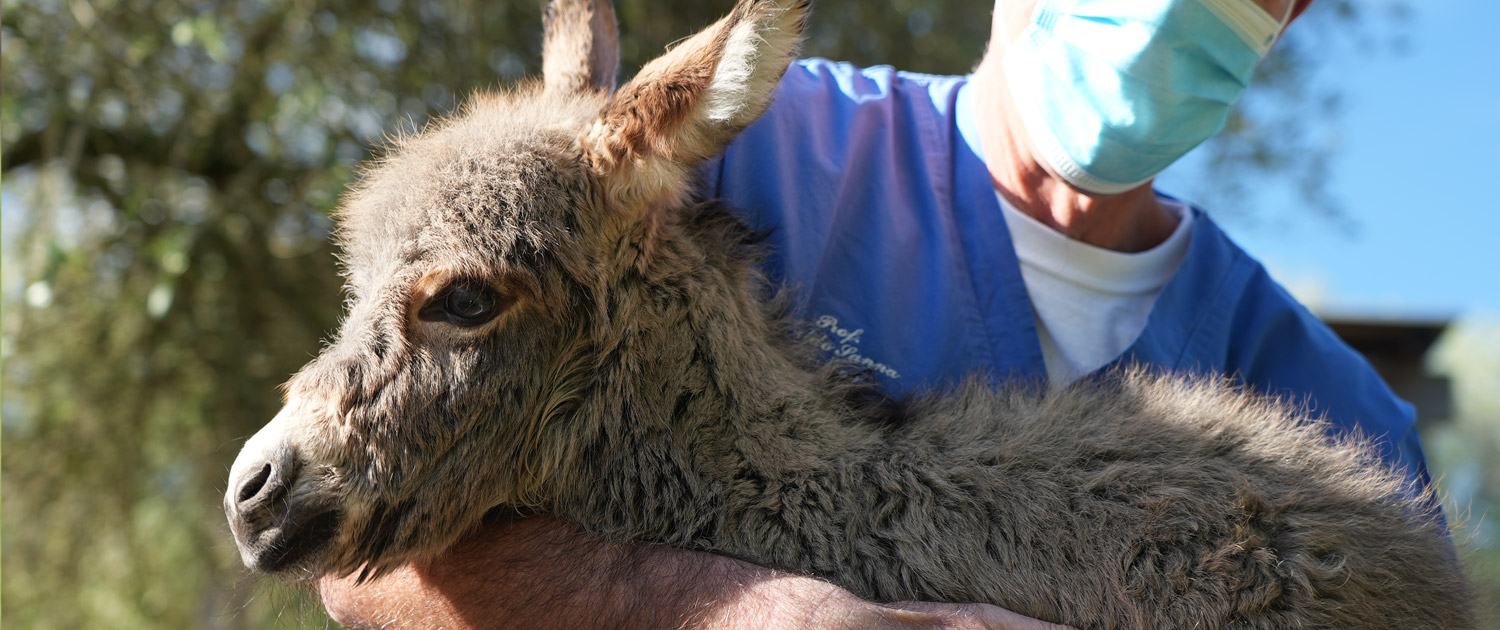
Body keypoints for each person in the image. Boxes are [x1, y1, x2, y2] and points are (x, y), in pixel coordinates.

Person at [320, 0, 1438, 627]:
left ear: (1282, 16)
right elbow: (350, 545)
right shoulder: (719, 159)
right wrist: (754, 614)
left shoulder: (1342, 425)